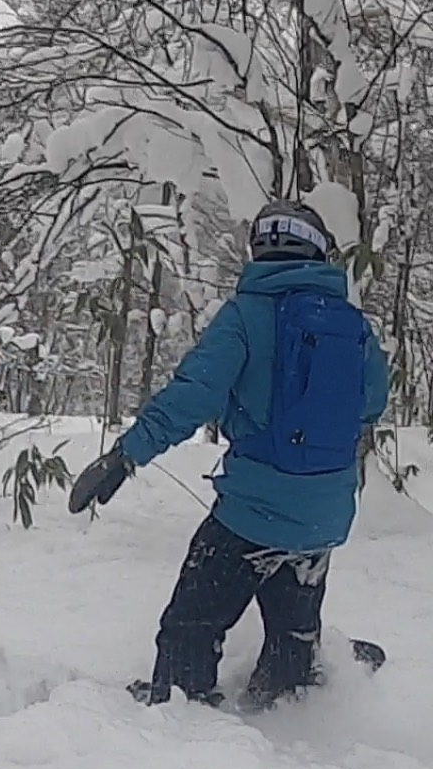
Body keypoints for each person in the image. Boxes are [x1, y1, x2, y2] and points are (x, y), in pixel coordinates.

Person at [68, 199, 390, 708]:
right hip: (325, 513)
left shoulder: (246, 315)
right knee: (292, 625)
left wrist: (126, 456)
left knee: (192, 623)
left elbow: (192, 396)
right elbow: (372, 403)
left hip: (252, 511)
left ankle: (180, 706)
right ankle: (287, 695)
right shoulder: (353, 326)